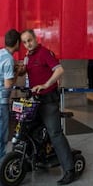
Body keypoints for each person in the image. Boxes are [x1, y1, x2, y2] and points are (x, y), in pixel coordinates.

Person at [20, 29, 76, 185]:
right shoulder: (27, 57)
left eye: (29, 40)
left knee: (55, 133)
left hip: (48, 100)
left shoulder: (44, 53)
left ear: (35, 38)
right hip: (34, 101)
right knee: (30, 131)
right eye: (24, 42)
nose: (27, 44)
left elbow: (59, 70)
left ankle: (69, 169)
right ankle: (34, 160)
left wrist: (45, 85)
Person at [0, 29, 21, 160]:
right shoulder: (9, 59)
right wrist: (17, 73)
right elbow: (8, 85)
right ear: (17, 42)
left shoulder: (1, 53)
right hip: (1, 103)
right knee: (2, 136)